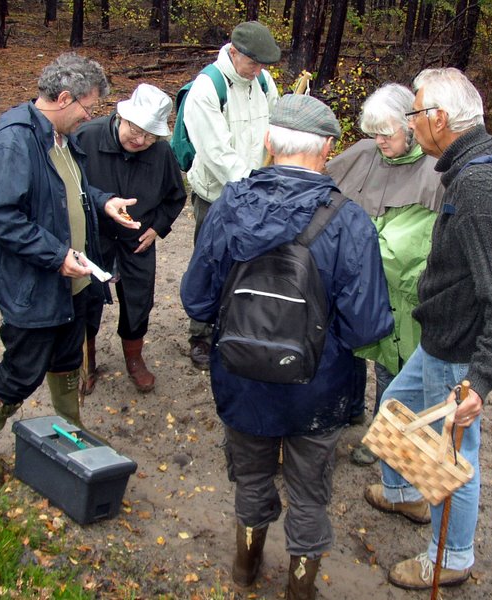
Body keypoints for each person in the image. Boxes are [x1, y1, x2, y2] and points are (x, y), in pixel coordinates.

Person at [180, 94, 394, 600]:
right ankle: (300, 592)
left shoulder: (229, 205)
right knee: (309, 493)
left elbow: (196, 298)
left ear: (269, 142)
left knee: (251, 477)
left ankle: (244, 571)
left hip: (241, 380)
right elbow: (366, 328)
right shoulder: (350, 222)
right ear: (326, 150)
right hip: (318, 391)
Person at [364, 67, 492, 590]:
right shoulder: (468, 166)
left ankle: (451, 557)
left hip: (459, 350)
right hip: (439, 337)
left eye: (414, 114)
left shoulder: (482, 186)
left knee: (451, 456)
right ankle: (400, 494)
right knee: (395, 406)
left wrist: (481, 380)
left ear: (438, 118)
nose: (411, 126)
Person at [0, 53, 140, 485]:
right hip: (35, 284)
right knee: (24, 365)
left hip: (74, 282)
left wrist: (103, 201)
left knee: (67, 358)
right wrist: (54, 255)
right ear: (64, 98)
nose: (90, 115)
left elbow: (70, 191)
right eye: (88, 107)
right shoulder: (15, 140)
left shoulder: (62, 140)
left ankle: (73, 430)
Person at [326, 83, 444, 468]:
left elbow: (409, 248)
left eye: (386, 132)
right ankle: (349, 408)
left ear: (410, 127)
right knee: (348, 346)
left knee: (392, 362)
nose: (378, 140)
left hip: (401, 290)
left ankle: (382, 438)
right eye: (373, 131)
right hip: (357, 282)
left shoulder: (434, 169)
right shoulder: (364, 153)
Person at [182, 20, 281, 370]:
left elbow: (276, 126)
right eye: (253, 63)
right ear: (233, 52)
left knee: (249, 261)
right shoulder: (207, 89)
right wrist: (255, 186)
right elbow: (216, 153)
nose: (258, 70)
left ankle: (238, 325)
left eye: (263, 64)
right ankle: (201, 334)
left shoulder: (263, 81)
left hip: (255, 192)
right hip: (217, 196)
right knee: (210, 261)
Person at [76, 84, 186, 394]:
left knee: (139, 301)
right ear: (121, 117)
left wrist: (157, 228)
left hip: (138, 240)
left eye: (150, 135)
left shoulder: (161, 153)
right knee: (88, 300)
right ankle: (87, 359)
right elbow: (69, 187)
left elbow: (175, 197)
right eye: (135, 131)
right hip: (93, 237)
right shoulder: (87, 137)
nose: (140, 141)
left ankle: (134, 359)